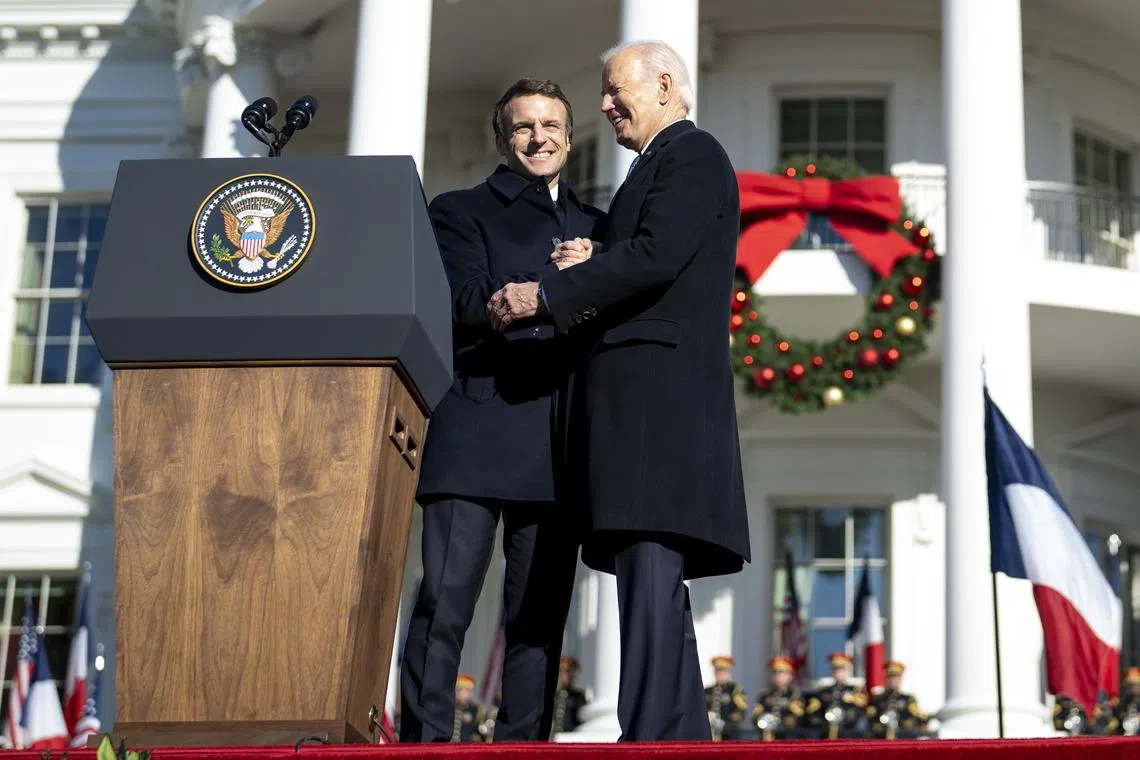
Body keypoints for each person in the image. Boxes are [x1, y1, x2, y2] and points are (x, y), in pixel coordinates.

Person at [486, 40, 751, 741]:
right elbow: (650, 254)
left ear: (664, 85)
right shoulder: (654, 166)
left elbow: (659, 255)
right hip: (640, 402)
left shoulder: (690, 154)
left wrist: (548, 292)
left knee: (651, 570)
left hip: (655, 402)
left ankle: (647, 738)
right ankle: (679, 733)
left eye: (613, 89)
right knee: (652, 578)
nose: (602, 104)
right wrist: (599, 258)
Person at [399, 78, 606, 743]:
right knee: (446, 601)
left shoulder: (598, 228)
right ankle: (424, 744)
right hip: (478, 425)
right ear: (502, 139)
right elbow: (466, 302)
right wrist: (562, 287)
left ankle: (524, 749)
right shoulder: (459, 210)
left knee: (539, 617)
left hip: (557, 436)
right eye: (523, 127)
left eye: (551, 126)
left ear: (570, 140)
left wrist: (599, 267)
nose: (538, 137)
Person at [804, 652, 868, 739]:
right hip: (827, 731)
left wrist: (849, 719)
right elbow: (814, 712)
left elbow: (861, 710)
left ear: (847, 671)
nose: (838, 672)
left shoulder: (855, 691)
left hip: (849, 731)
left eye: (841, 670)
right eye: (835, 669)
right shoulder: (823, 691)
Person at [866, 661, 928, 739]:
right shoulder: (877, 699)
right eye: (890, 677)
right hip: (882, 739)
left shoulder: (908, 699)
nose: (892, 680)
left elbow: (921, 720)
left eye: (896, 677)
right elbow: (870, 721)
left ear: (900, 679)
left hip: (904, 739)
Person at [751, 656, 806, 741]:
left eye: (782, 673)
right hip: (766, 737)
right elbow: (756, 715)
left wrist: (781, 723)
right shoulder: (764, 695)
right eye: (775, 673)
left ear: (790, 676)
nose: (778, 676)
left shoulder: (795, 695)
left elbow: (797, 717)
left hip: (787, 738)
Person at [704, 655, 747, 740]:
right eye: (717, 671)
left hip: (729, 735)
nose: (720, 674)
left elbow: (740, 711)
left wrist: (726, 724)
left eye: (723, 671)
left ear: (728, 672)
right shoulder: (707, 691)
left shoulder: (735, 690)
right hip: (710, 733)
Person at [550, 656, 589, 736]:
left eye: (568, 671)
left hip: (572, 736)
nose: (565, 675)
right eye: (562, 671)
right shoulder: (554, 696)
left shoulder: (579, 696)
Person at [452, 674, 487, 743]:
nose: (466, 693)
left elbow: (482, 732)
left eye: (469, 690)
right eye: (460, 689)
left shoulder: (477, 710)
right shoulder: (448, 708)